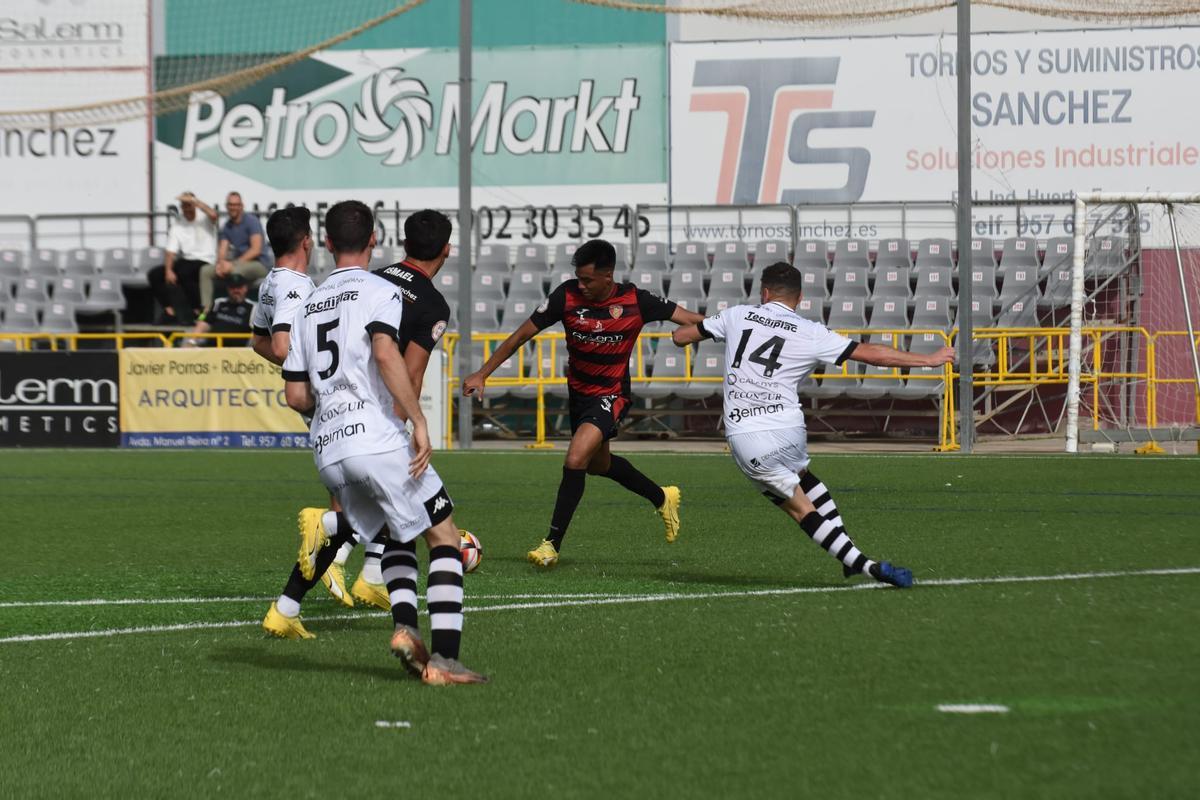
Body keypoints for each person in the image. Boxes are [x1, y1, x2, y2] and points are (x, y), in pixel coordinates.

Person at [282, 200, 484, 685]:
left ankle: (403, 628)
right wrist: (418, 420)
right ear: (374, 240)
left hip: (328, 450)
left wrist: (330, 409)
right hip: (375, 438)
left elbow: (295, 395)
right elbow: (385, 352)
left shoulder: (306, 303)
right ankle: (446, 660)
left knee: (397, 531)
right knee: (444, 536)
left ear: (327, 243)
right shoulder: (381, 290)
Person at [670, 262, 957, 588]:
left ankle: (865, 566)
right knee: (805, 478)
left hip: (748, 435)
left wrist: (701, 325)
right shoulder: (810, 330)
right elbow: (872, 354)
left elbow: (682, 336)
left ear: (764, 293)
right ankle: (847, 549)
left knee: (800, 510)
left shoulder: (737, 315)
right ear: (800, 297)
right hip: (790, 429)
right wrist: (928, 360)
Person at [462, 238, 705, 568]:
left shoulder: (636, 300)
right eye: (578, 278)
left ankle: (551, 545)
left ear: (608, 276)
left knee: (576, 458)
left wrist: (731, 331)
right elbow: (521, 335)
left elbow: (693, 319)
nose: (582, 285)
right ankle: (662, 497)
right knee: (597, 465)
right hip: (579, 394)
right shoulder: (566, 295)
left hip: (611, 394)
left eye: (588, 279)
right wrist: (482, 373)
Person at [252, 205, 363, 625]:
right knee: (362, 499)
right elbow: (280, 347)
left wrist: (298, 370)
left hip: (318, 400)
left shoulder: (270, 284)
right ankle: (347, 568)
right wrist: (310, 372)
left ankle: (291, 605)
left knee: (347, 496)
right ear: (306, 241)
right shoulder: (297, 287)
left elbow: (257, 343)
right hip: (328, 401)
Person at [147, 191, 218, 325]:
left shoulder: (204, 218)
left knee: (184, 272)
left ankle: (199, 311)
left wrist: (195, 201)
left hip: (206, 260)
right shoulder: (178, 224)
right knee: (155, 274)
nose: (186, 209)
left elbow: (214, 215)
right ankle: (169, 310)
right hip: (186, 260)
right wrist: (168, 270)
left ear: (195, 205)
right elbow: (170, 251)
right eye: (184, 205)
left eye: (189, 205)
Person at [199, 191, 272, 311]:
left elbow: (256, 249)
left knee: (234, 272)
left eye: (236, 204)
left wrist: (232, 264)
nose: (233, 207)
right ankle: (206, 311)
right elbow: (223, 249)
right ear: (227, 206)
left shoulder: (251, 221)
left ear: (241, 206)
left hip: (260, 264)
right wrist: (220, 265)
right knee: (205, 271)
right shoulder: (227, 226)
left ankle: (236, 311)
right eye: (230, 205)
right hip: (240, 263)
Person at [182, 273, 254, 346]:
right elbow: (204, 322)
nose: (236, 290)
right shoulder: (218, 302)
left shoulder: (253, 307)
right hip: (212, 348)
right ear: (228, 289)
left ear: (245, 288)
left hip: (238, 352)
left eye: (239, 287)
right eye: (232, 287)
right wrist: (192, 341)